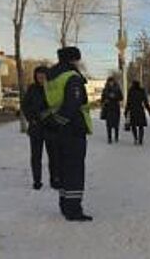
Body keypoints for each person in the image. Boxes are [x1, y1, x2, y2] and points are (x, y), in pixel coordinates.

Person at [45, 46, 93, 222]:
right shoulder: (72, 77)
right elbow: (72, 105)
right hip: (73, 129)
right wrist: (63, 122)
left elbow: (51, 102)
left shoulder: (51, 76)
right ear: (73, 59)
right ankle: (74, 210)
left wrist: (54, 123)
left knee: (64, 168)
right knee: (74, 169)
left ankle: (65, 204)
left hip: (57, 129)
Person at [21, 66, 59, 190]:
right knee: (36, 156)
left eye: (43, 76)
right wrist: (31, 118)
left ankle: (54, 179)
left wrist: (51, 116)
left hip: (50, 127)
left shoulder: (52, 88)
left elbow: (58, 104)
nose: (40, 78)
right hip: (36, 127)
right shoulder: (32, 89)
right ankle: (37, 180)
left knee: (53, 156)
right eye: (38, 76)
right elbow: (25, 106)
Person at [125, 80, 150, 145]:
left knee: (133, 126)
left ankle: (135, 138)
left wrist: (126, 111)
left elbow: (128, 102)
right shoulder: (141, 91)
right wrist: (149, 111)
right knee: (141, 126)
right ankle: (140, 139)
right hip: (140, 110)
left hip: (133, 110)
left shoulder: (131, 91)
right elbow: (145, 102)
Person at [101, 77, 123, 144]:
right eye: (110, 82)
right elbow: (102, 98)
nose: (111, 83)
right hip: (108, 108)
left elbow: (121, 97)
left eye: (112, 82)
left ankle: (116, 136)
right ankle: (109, 138)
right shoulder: (105, 89)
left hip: (116, 108)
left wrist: (115, 97)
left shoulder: (117, 89)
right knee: (109, 124)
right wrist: (105, 100)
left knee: (116, 124)